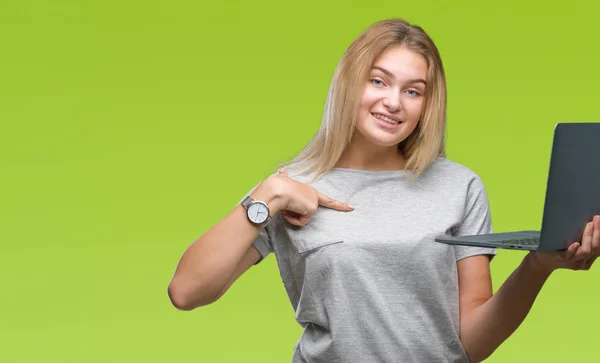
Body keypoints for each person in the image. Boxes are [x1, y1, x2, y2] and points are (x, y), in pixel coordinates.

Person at [167, 18, 600, 363]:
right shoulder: (290, 187)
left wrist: (539, 265)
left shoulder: (459, 186)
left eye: (413, 91)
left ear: (427, 106)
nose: (394, 102)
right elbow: (186, 292)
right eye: (378, 81)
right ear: (349, 83)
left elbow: (471, 345)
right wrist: (270, 195)